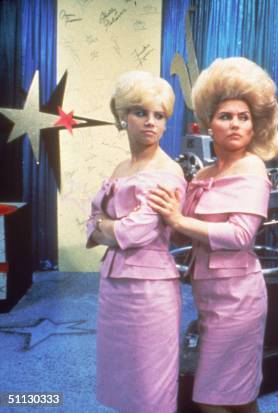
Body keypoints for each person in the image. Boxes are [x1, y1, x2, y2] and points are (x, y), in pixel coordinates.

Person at [148, 57, 278, 413]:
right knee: (239, 395)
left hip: (239, 299)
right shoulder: (203, 173)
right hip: (209, 296)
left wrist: (177, 219)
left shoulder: (252, 168)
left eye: (244, 117)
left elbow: (239, 235)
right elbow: (183, 235)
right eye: (226, 116)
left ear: (255, 126)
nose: (235, 124)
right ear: (209, 124)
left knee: (210, 398)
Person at [86, 71, 186, 413]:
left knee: (150, 388)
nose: (151, 123)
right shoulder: (120, 166)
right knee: (122, 383)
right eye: (141, 112)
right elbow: (91, 222)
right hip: (113, 288)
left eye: (159, 116)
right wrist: (108, 227)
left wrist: (106, 227)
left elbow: (136, 231)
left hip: (149, 291)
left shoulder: (168, 171)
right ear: (123, 116)